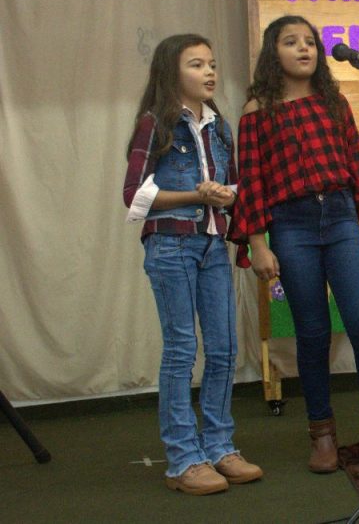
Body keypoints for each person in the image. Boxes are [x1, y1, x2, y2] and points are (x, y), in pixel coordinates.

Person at [230, 15, 359, 476]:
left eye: (310, 42)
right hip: (292, 227)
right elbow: (250, 184)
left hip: (342, 218)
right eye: (291, 42)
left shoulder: (334, 102)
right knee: (312, 334)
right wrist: (259, 245)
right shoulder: (256, 111)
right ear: (274, 53)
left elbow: (357, 164)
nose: (304, 49)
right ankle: (322, 434)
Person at [123, 34, 263, 494]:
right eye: (197, 64)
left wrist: (227, 196)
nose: (210, 73)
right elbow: (135, 196)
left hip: (211, 246)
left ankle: (220, 446)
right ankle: (183, 458)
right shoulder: (155, 125)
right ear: (171, 73)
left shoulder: (220, 126)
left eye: (212, 64)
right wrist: (195, 195)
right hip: (170, 246)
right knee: (182, 351)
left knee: (224, 349)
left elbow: (234, 185)